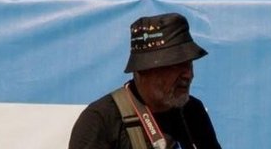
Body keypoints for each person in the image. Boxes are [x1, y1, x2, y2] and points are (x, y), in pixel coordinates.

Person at [67, 13, 223, 149]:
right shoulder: (100, 121)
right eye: (176, 66)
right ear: (143, 70)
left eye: (189, 63)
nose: (188, 74)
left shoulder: (192, 111)